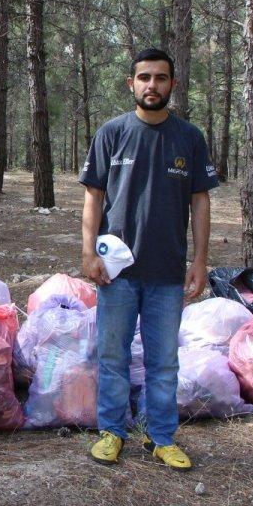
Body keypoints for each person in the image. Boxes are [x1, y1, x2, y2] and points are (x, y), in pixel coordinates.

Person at [78, 47, 219, 471]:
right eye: (144, 78)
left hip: (167, 272)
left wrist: (200, 260)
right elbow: (93, 197)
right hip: (117, 272)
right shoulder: (111, 133)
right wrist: (87, 252)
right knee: (113, 355)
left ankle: (161, 437)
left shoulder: (189, 138)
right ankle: (111, 432)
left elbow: (200, 202)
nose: (151, 85)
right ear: (131, 84)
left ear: (172, 84)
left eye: (160, 78)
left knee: (163, 361)